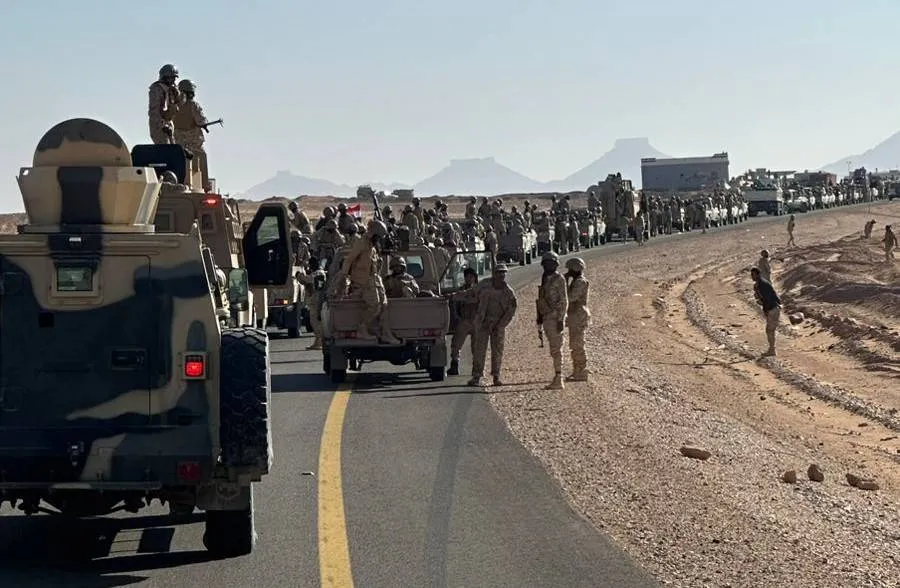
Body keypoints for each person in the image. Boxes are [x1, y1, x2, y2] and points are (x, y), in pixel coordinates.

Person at [338, 219, 398, 343]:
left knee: (384, 306)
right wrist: (344, 276)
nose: (379, 239)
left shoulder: (372, 246)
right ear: (373, 234)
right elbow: (349, 260)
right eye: (378, 236)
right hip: (363, 281)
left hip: (374, 279)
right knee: (374, 305)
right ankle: (362, 327)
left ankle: (386, 333)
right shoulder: (362, 243)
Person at [468, 264, 517, 387]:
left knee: (497, 351)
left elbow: (511, 310)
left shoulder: (508, 292)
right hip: (483, 323)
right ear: (494, 273)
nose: (501, 275)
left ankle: (496, 376)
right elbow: (472, 293)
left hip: (498, 324)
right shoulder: (485, 285)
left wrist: (501, 325)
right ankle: (476, 376)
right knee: (479, 350)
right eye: (499, 272)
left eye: (503, 272)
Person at [537, 251, 569, 390]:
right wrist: (539, 318)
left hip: (555, 317)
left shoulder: (559, 279)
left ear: (555, 264)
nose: (548, 266)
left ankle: (558, 377)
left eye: (551, 263)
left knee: (556, 349)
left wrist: (561, 319)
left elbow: (564, 300)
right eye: (546, 263)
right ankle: (557, 376)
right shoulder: (545, 278)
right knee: (553, 349)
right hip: (547, 317)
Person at [172, 79, 211, 191]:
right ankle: (204, 185)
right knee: (202, 157)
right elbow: (201, 121)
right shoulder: (193, 105)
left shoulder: (174, 106)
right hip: (193, 143)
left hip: (178, 143)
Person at [448, 267, 479, 376]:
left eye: (471, 276)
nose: (469, 279)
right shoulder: (461, 291)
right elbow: (455, 305)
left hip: (476, 321)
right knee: (456, 344)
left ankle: (477, 368)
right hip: (464, 320)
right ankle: (454, 365)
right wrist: (457, 317)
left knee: (477, 347)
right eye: (467, 276)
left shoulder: (479, 290)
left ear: (474, 278)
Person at [564, 257, 591, 382]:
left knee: (577, 344)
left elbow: (570, 297)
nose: (568, 271)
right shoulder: (576, 281)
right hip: (575, 315)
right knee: (575, 344)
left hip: (578, 315)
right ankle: (577, 370)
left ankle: (581, 371)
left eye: (570, 269)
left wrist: (565, 283)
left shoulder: (580, 282)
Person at [750, 267, 781, 358]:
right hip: (773, 308)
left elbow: (768, 299)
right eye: (751, 275)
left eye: (753, 275)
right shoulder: (760, 284)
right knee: (770, 330)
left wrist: (766, 310)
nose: (752, 277)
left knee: (770, 330)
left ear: (758, 274)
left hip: (773, 308)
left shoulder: (762, 284)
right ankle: (772, 349)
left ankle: (772, 350)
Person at [148, 64, 180, 144]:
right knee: (165, 147)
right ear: (165, 77)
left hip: (168, 123)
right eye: (171, 78)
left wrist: (177, 94)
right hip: (158, 125)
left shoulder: (171, 89)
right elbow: (154, 112)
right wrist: (162, 125)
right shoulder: (156, 89)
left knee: (173, 148)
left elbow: (178, 105)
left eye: (174, 78)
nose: (173, 80)